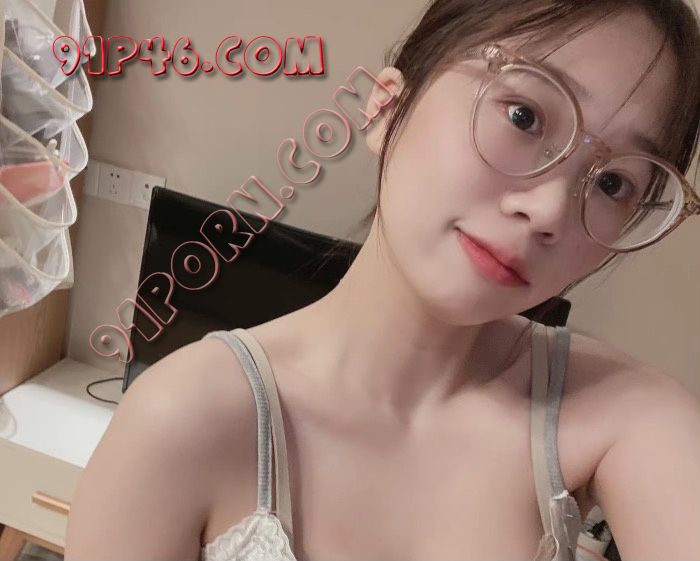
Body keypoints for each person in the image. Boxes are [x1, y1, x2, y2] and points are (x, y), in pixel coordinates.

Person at [64, 0, 700, 560]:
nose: (550, 211)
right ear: (387, 107)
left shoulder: (622, 414)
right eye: (524, 116)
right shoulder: (185, 420)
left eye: (613, 183)